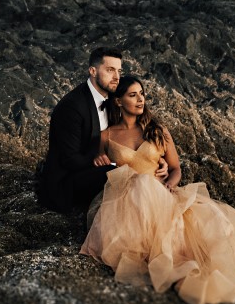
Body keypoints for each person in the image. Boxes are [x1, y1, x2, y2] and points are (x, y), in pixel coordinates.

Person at [80, 75, 235, 304]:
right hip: (127, 200)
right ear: (118, 101)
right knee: (141, 185)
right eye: (133, 95)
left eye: (142, 94)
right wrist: (97, 158)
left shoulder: (157, 131)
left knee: (211, 223)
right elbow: (91, 163)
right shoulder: (106, 136)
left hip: (162, 193)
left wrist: (170, 184)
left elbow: (175, 169)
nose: (141, 99)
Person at [39, 48, 167, 214]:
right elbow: (69, 159)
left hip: (99, 170)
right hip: (68, 182)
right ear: (93, 71)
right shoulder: (72, 107)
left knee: (132, 177)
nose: (116, 77)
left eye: (119, 71)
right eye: (110, 70)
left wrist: (154, 160)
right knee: (122, 177)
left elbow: (124, 136)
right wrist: (96, 161)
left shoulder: (112, 99)